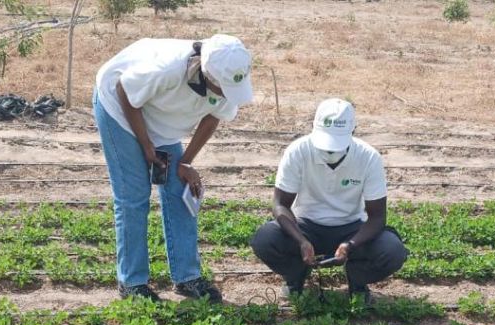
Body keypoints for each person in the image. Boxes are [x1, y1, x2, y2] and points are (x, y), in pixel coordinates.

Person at [94, 34, 254, 302]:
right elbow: (125, 90)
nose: (228, 94)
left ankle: (187, 277)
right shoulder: (168, 69)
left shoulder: (230, 76)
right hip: (120, 109)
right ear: (208, 74)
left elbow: (213, 117)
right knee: (133, 196)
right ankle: (132, 282)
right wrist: (145, 145)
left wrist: (185, 162)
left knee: (181, 191)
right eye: (223, 88)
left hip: (162, 120)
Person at [250, 98, 408, 303]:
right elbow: (280, 204)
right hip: (306, 225)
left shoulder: (368, 157)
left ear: (353, 130)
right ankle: (296, 275)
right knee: (265, 240)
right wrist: (301, 240)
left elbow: (377, 217)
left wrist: (350, 244)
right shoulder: (298, 151)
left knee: (392, 251)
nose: (330, 151)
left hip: (351, 227)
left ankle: (357, 278)